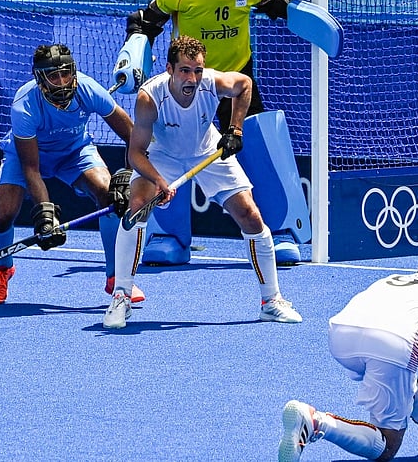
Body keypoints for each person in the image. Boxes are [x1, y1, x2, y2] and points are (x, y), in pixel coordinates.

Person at [103, 35, 302, 329]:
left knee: (251, 214)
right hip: (163, 155)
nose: (193, 78)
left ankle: (271, 301)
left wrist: (235, 130)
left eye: (197, 71)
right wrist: (158, 180)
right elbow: (135, 153)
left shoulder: (212, 83)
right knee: (136, 208)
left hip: (207, 149)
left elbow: (244, 85)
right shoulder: (150, 97)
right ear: (169, 69)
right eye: (185, 70)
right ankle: (121, 296)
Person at [118, 0, 305, 264]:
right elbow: (144, 23)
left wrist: (295, 13)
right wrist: (134, 51)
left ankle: (281, 229)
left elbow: (274, 3)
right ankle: (170, 237)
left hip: (232, 79)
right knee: (168, 148)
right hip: (187, 82)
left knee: (256, 139)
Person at [278, 256, 418, 461]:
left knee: (402, 377)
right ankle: (315, 422)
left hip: (340, 335)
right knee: (387, 445)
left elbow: (405, 382)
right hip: (392, 342)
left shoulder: (394, 280)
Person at [0, 43, 140, 304]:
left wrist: (128, 174)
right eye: (54, 76)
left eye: (66, 73)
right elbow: (31, 168)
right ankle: (2, 269)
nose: (62, 81)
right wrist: (45, 213)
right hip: (28, 157)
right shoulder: (24, 105)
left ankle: (116, 279)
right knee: (3, 213)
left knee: (109, 195)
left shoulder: (88, 89)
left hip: (74, 152)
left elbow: (132, 135)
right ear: (40, 78)